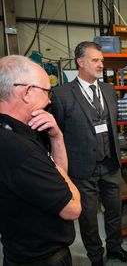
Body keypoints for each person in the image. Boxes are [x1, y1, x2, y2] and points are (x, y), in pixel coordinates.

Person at [50, 41, 127, 265]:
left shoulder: (108, 89)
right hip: (82, 168)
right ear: (80, 62)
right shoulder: (61, 94)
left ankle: (115, 248)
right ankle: (96, 257)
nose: (101, 65)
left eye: (102, 60)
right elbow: (55, 133)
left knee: (115, 210)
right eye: (95, 60)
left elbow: (111, 123)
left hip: (111, 163)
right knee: (88, 218)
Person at [0, 55, 81, 265]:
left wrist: (57, 137)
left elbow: (55, 177)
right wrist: (59, 174)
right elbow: (72, 208)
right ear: (27, 92)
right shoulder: (17, 149)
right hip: (41, 259)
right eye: (47, 92)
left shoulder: (17, 132)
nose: (50, 100)